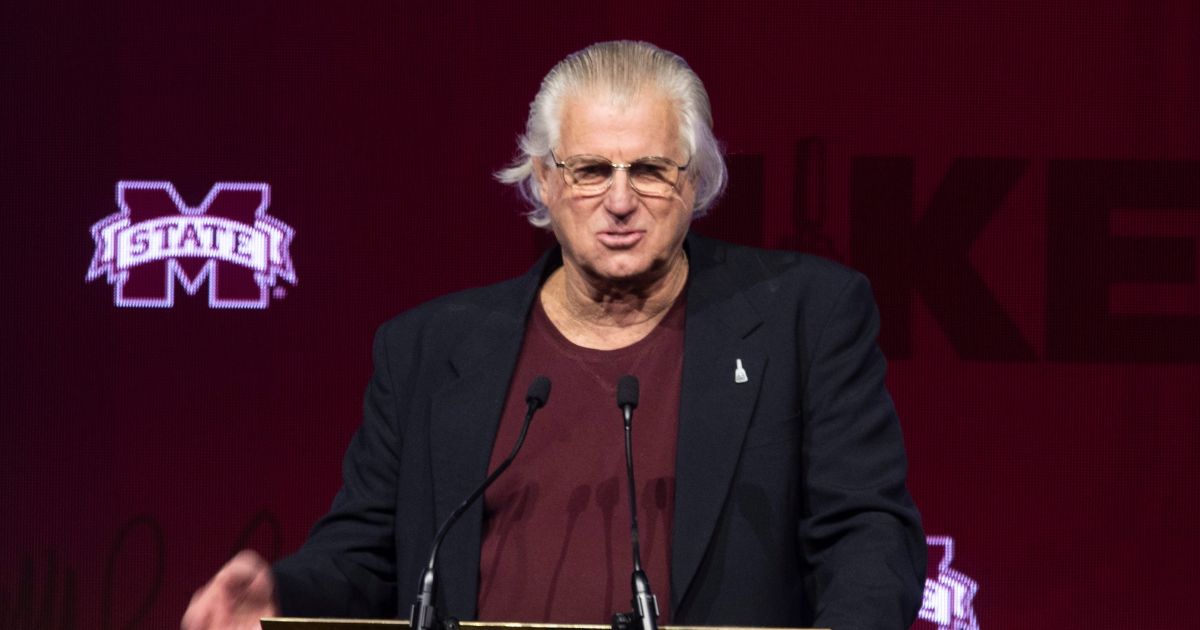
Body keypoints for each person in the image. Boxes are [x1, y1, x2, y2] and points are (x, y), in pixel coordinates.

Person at [182, 41, 926, 630]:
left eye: (653, 170)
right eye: (591, 169)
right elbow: (369, 555)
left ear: (696, 181)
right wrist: (283, 593)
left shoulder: (806, 318)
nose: (622, 200)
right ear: (541, 180)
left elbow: (867, 535)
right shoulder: (427, 349)